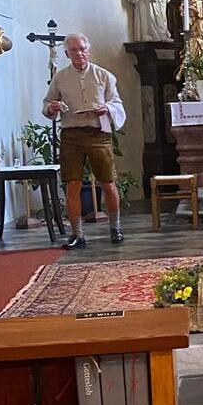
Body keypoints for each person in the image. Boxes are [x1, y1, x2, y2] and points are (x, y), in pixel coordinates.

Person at [43, 33, 126, 249]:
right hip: (71, 135)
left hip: (98, 133)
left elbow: (117, 103)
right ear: (67, 54)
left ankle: (115, 227)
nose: (79, 53)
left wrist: (107, 108)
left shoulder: (104, 75)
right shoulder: (60, 78)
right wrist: (52, 108)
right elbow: (48, 104)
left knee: (108, 182)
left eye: (82, 49)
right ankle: (77, 234)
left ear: (88, 50)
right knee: (72, 184)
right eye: (74, 50)